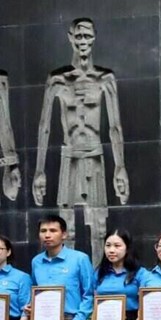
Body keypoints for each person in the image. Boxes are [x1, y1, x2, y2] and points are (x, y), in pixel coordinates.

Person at [33, 18, 128, 263]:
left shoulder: (105, 78)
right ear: (70, 38)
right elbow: (44, 126)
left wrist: (120, 167)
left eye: (87, 36)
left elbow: (115, 127)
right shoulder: (58, 79)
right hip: (70, 155)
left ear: (94, 38)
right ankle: (69, 281)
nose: (83, 41)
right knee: (67, 228)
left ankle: (98, 281)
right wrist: (39, 171)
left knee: (98, 227)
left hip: (94, 155)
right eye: (79, 36)